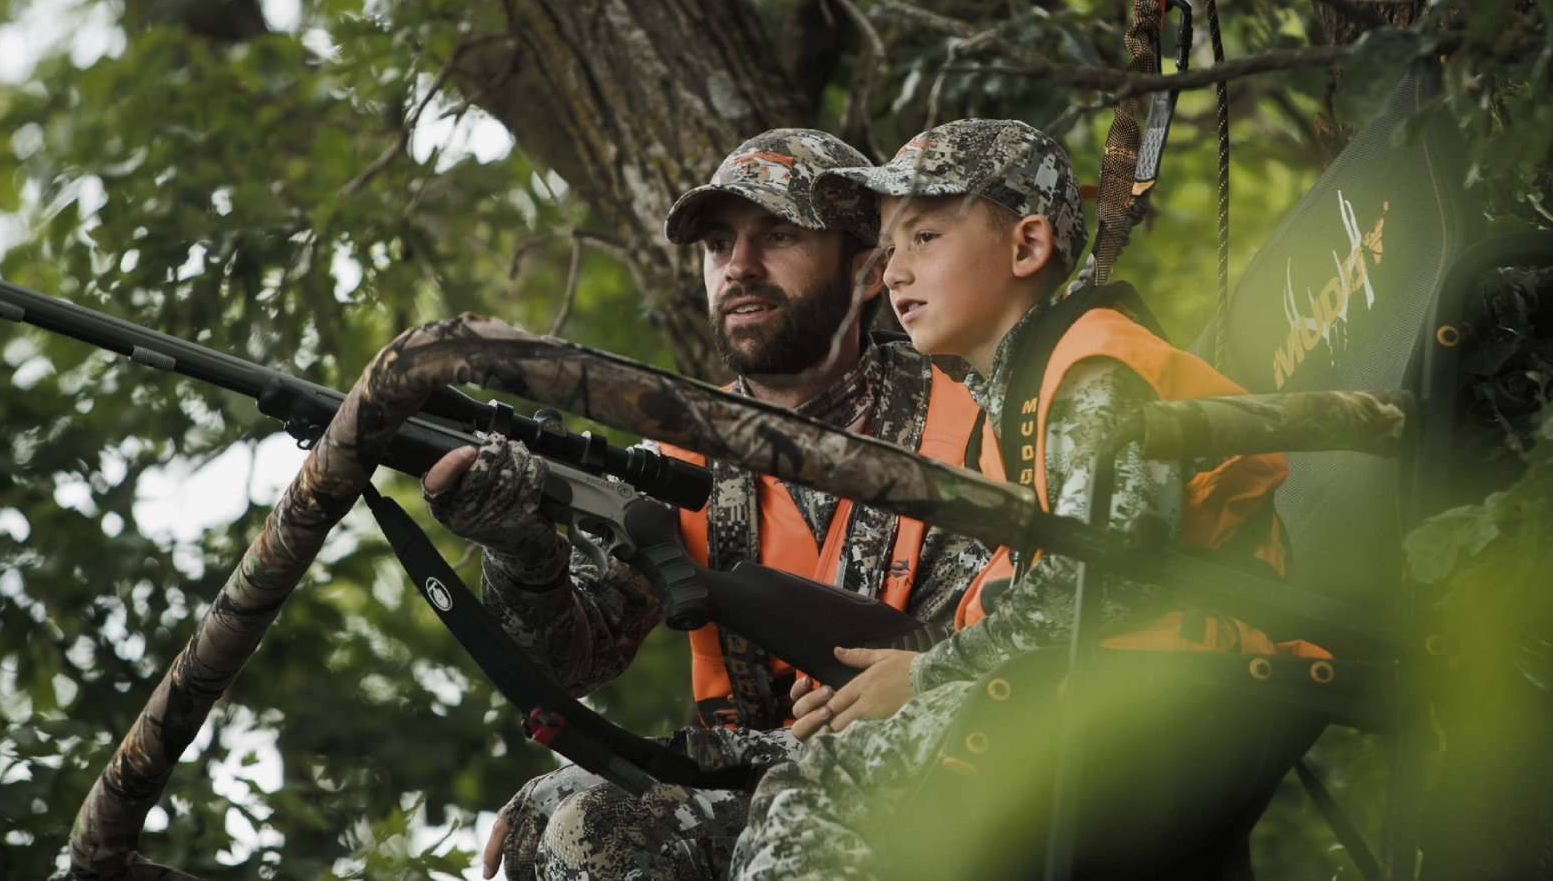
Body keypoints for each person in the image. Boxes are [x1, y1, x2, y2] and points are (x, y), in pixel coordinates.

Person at [731, 119, 1315, 881]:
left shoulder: (1091, 370)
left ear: (1027, 247)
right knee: (807, 782)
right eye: (889, 245)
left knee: (819, 791)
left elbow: (1110, 577)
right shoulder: (1017, 401)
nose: (893, 270)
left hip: (1181, 700)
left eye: (926, 237)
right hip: (1114, 690)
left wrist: (930, 677)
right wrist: (902, 669)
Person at [419, 128, 988, 881]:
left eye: (777, 235)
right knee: (547, 828)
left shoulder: (977, 424)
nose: (739, 268)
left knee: (590, 825)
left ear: (870, 270)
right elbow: (571, 661)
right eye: (719, 246)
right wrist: (519, 546)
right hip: (769, 794)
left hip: (952, 790)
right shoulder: (684, 455)